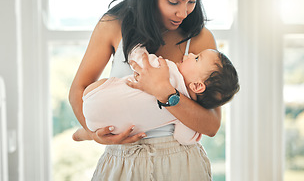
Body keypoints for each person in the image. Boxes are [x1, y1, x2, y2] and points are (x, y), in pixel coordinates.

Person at [69, 0, 227, 180]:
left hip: (182, 164)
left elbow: (211, 125)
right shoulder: (113, 25)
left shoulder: (200, 38)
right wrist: (94, 134)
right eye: (174, 1)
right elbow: (77, 91)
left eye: (192, 0)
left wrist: (167, 94)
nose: (183, 12)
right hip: (122, 161)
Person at [73, 45, 239, 145]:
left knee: (116, 84)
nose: (189, 55)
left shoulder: (167, 69)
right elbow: (183, 138)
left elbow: (139, 59)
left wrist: (138, 45)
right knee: (127, 126)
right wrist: (195, 132)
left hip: (94, 94)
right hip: (114, 129)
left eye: (196, 59)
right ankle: (86, 133)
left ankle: (88, 131)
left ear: (197, 85)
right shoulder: (184, 116)